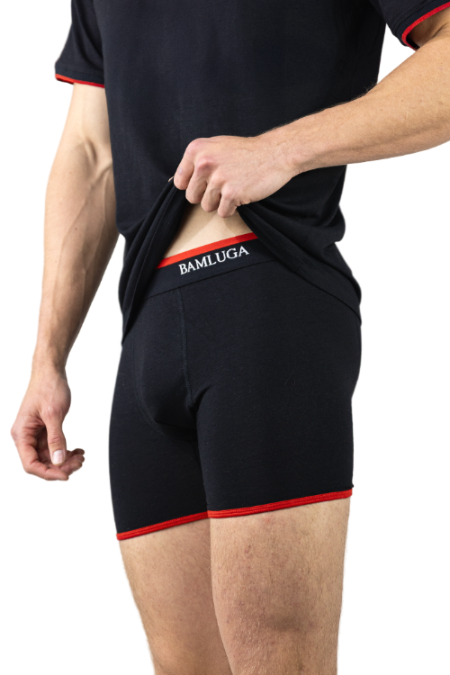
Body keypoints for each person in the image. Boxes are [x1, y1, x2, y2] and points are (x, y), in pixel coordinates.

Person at [11, 1, 450, 673]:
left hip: (267, 303)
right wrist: (48, 357)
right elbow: (91, 151)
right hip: (146, 327)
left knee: (279, 661)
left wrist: (283, 149)